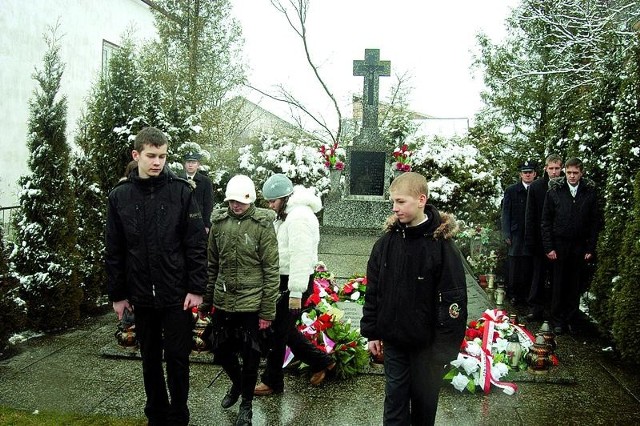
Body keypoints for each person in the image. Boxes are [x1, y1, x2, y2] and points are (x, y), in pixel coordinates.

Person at [106, 126, 207, 426]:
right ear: (136, 155)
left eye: (162, 156)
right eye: (151, 155)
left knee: (178, 359)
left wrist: (197, 289)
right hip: (140, 295)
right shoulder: (120, 196)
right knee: (149, 360)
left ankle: (179, 416)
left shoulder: (180, 191)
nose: (157, 162)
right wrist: (118, 295)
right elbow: (114, 249)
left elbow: (195, 244)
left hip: (176, 295)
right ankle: (156, 415)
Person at [360, 172, 467, 425]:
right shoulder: (386, 243)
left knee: (424, 405)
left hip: (428, 347)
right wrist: (373, 332)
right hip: (395, 341)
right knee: (394, 402)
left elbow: (454, 302)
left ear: (421, 200)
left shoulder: (442, 247)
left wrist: (443, 349)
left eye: (401, 202)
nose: (395, 209)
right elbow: (374, 290)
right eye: (393, 203)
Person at [198, 174, 279, 426]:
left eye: (241, 202)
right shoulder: (220, 223)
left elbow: (271, 269)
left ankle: (246, 404)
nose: (236, 206)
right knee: (219, 349)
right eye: (232, 201)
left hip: (251, 304)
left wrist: (267, 312)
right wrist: (206, 301)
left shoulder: (262, 225)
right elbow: (212, 265)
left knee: (251, 356)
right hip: (223, 300)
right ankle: (237, 383)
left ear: (251, 200)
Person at [254, 174, 336, 397]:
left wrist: (296, 292)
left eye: (273, 201)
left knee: (277, 333)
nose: (271, 206)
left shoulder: (298, 217)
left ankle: (272, 382)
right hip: (286, 279)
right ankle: (323, 362)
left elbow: (300, 256)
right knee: (285, 331)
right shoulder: (290, 213)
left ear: (285, 197)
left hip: (293, 282)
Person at [541, 157, 599, 335]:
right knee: (558, 283)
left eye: (576, 173)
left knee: (575, 284)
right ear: (565, 171)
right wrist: (549, 247)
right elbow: (546, 221)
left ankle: (571, 319)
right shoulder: (555, 191)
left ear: (581, 173)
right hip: (559, 245)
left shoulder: (589, 192)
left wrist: (590, 248)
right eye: (569, 172)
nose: (572, 176)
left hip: (579, 246)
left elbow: (594, 222)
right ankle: (557, 320)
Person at [524, 154, 563, 321]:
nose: (554, 172)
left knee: (557, 278)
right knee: (538, 276)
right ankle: (536, 309)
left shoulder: (565, 186)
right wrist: (530, 240)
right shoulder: (536, 187)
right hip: (540, 240)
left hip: (559, 240)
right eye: (551, 168)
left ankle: (555, 312)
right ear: (545, 169)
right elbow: (530, 215)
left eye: (557, 168)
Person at [501, 160, 536, 305]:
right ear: (520, 174)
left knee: (529, 265)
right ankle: (514, 294)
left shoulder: (538, 189)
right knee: (515, 265)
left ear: (535, 174)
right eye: (525, 172)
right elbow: (506, 213)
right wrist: (506, 234)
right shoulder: (511, 190)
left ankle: (527, 295)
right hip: (516, 233)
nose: (527, 175)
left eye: (530, 172)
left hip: (532, 234)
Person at [180, 151, 214, 233]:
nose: (190, 165)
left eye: (193, 162)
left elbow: (208, 204)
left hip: (199, 222)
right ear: (185, 164)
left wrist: (206, 224)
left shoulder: (205, 181)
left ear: (198, 165)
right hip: (181, 222)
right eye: (188, 162)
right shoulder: (179, 180)